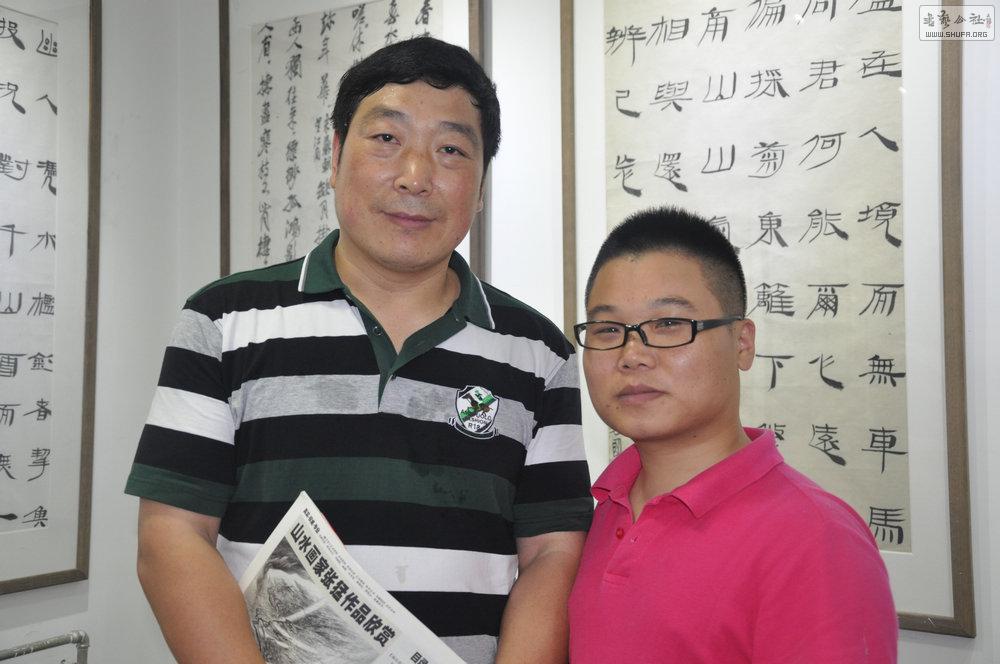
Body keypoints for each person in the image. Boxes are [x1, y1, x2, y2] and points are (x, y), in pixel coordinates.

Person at [126, 37, 592, 664]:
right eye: (386, 139)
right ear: (337, 154)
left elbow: (552, 555)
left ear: (481, 185)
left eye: (451, 150)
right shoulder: (224, 321)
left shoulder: (539, 352)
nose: (415, 177)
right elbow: (172, 536)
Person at [567, 207, 897, 663]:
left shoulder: (817, 539)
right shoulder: (600, 510)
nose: (632, 354)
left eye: (668, 324)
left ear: (742, 343)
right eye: (607, 330)